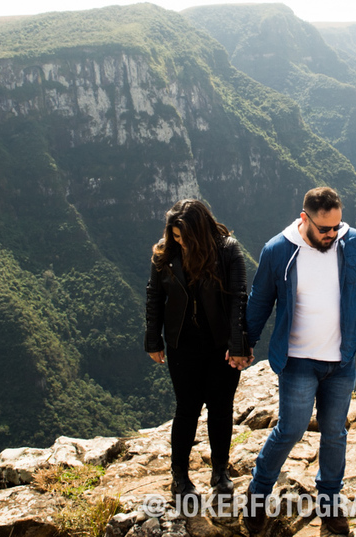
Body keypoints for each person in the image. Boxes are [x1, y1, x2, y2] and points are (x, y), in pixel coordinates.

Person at [243, 187, 356, 536]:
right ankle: (257, 495)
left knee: (334, 433)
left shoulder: (353, 243)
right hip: (298, 360)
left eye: (337, 226)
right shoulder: (278, 250)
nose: (333, 234)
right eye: (325, 228)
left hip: (341, 361)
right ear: (305, 219)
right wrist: (245, 344)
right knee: (291, 429)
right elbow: (260, 301)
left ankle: (329, 502)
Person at [145, 199, 253, 499]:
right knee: (187, 409)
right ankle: (179, 476)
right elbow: (154, 296)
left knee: (221, 408)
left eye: (185, 237)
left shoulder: (227, 250)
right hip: (182, 344)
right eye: (175, 236)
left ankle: (220, 472)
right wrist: (153, 340)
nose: (180, 242)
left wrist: (238, 345)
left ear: (201, 231)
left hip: (220, 344)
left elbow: (238, 298)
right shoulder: (166, 253)